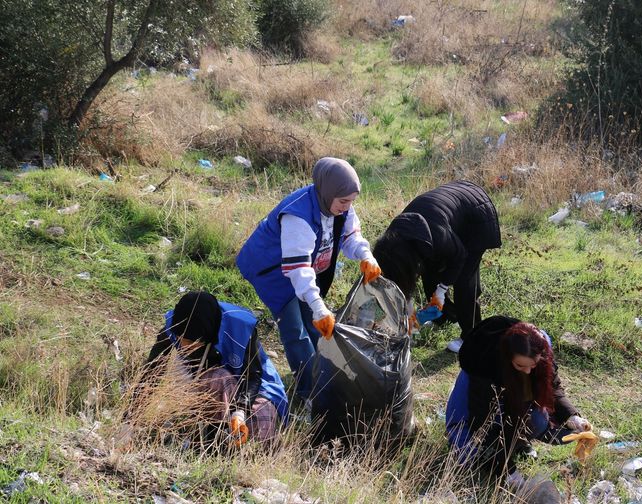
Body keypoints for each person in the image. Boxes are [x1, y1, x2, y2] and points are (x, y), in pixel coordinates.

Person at [236, 157, 381, 401]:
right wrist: (317, 305)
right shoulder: (298, 216)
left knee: (316, 323)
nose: (347, 207)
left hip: (302, 268)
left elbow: (349, 237)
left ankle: (324, 374)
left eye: (351, 201)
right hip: (272, 271)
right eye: (344, 201)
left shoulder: (338, 203)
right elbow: (298, 269)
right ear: (327, 191)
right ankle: (310, 392)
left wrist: (366, 256)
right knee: (295, 329)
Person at [445, 316, 591, 489]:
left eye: (533, 365)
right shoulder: (484, 366)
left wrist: (571, 417)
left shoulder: (538, 349)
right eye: (521, 366)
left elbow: (554, 388)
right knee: (468, 455)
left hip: (509, 392)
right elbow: (482, 422)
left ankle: (517, 445)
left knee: (538, 421)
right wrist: (506, 470)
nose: (528, 371)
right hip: (474, 404)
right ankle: (496, 456)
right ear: (508, 358)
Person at [144, 291, 288, 446]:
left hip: (256, 390)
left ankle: (231, 445)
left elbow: (253, 377)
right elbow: (150, 372)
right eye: (181, 340)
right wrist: (128, 422)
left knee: (260, 424)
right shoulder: (174, 324)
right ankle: (211, 440)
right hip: (215, 384)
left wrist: (240, 411)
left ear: (208, 336)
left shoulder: (240, 327)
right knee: (217, 377)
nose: (184, 347)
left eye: (191, 343)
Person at [372, 180, 500, 353]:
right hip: (449, 209)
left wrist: (442, 289)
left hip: (476, 216)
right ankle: (444, 317)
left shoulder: (438, 237)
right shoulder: (393, 241)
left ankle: (471, 337)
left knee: (464, 281)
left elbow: (459, 256)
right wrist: (408, 311)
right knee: (430, 272)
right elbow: (403, 277)